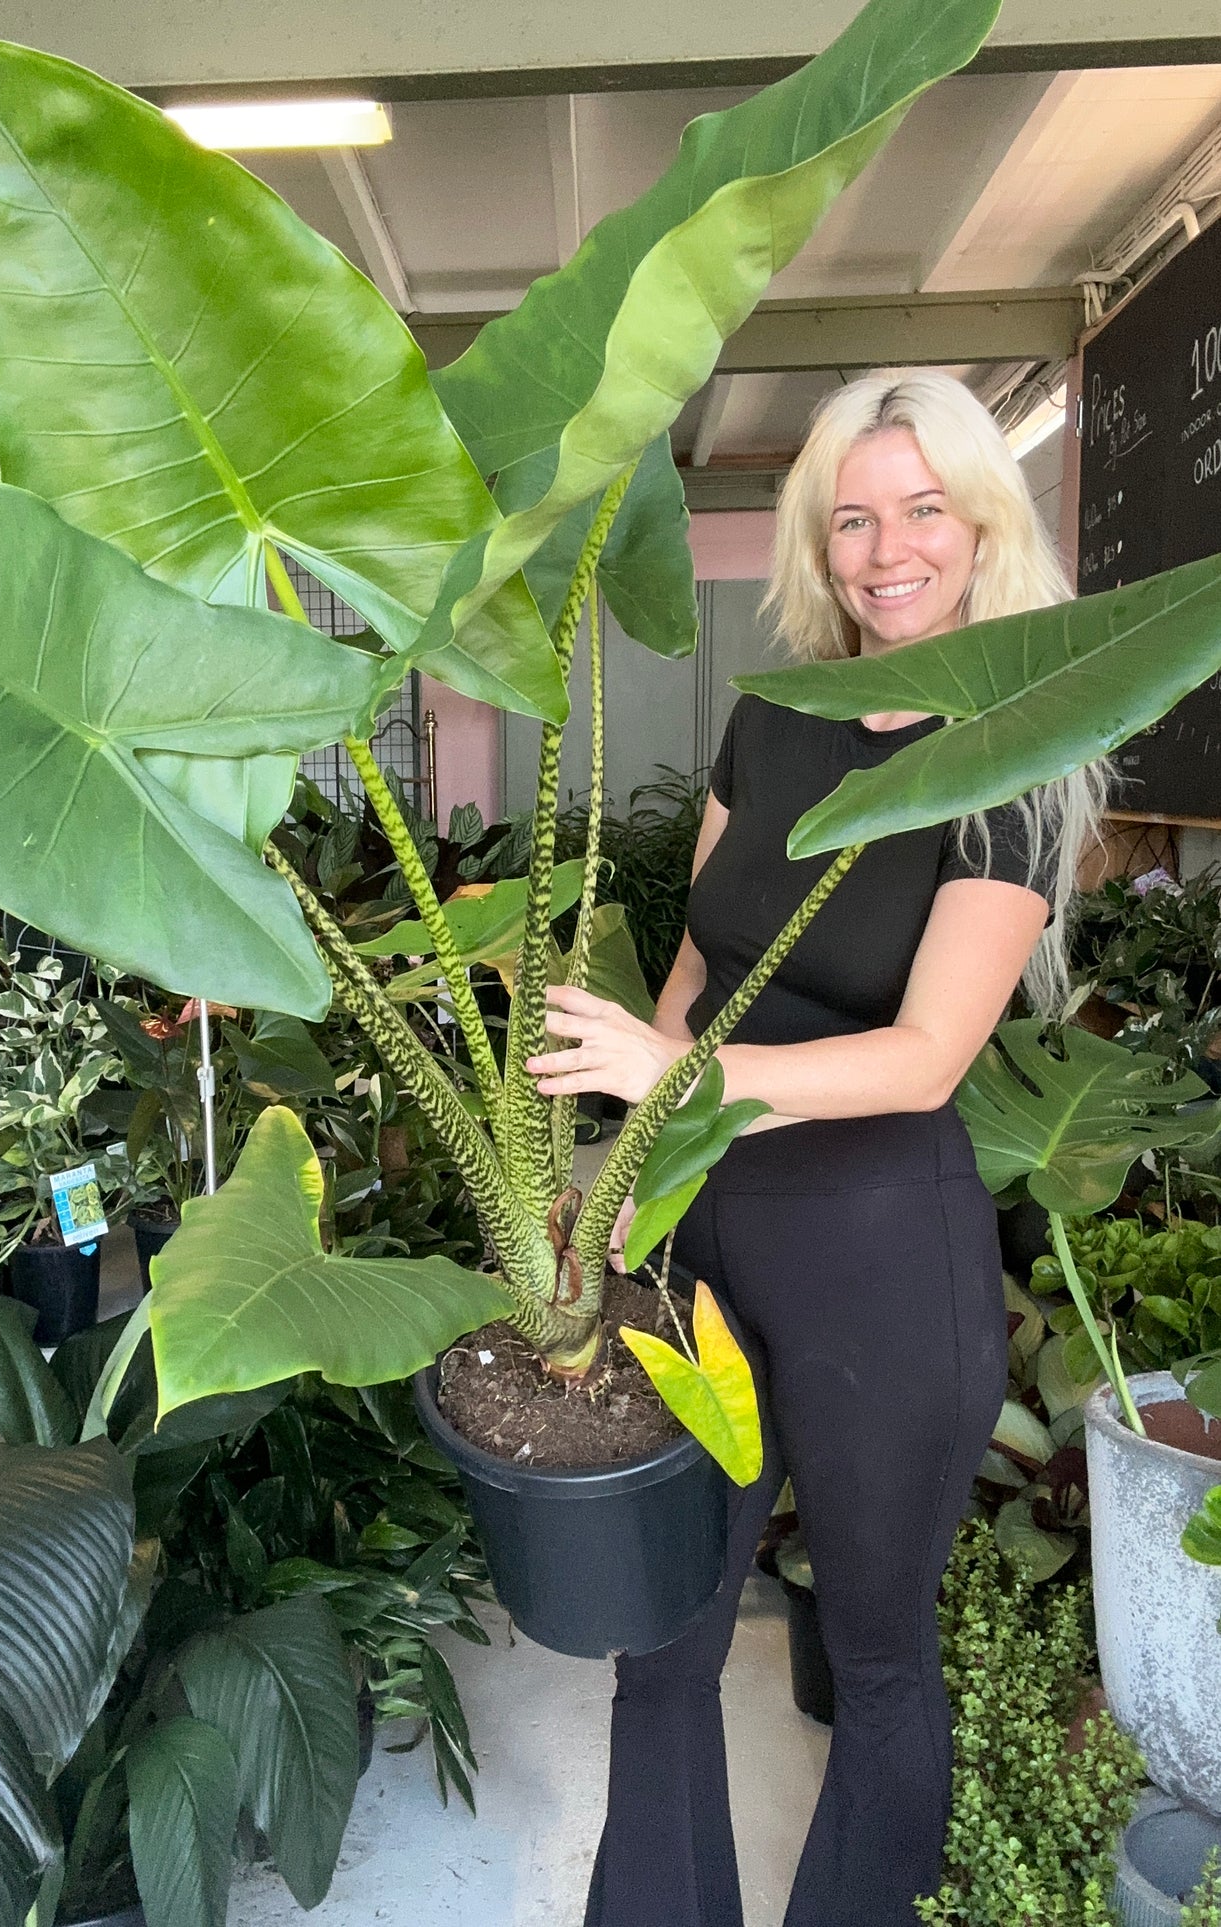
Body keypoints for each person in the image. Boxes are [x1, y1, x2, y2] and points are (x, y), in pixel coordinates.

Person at [524, 369, 1111, 1927]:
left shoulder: (1016, 758)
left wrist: (689, 1076)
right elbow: (698, 974)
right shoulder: (776, 715)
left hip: (876, 1266)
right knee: (663, 1634)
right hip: (707, 1239)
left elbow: (928, 1056)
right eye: (850, 517)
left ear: (986, 519)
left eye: (921, 507)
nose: (883, 548)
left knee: (874, 1658)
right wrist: (629, 1182)